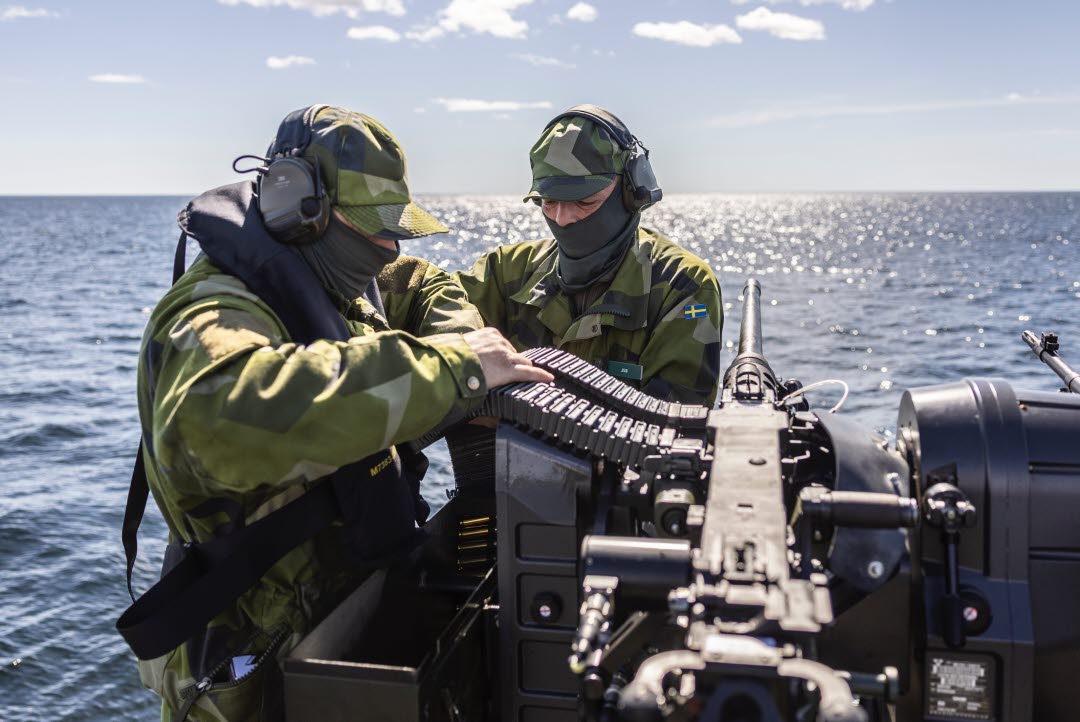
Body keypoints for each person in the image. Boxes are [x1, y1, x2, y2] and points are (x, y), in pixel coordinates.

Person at [121, 105, 552, 721]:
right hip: (257, 665)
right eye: (374, 227)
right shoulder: (213, 308)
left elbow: (426, 282)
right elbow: (224, 418)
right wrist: (453, 368)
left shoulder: (335, 270)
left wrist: (468, 343)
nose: (389, 246)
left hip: (347, 625)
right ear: (302, 209)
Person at [454, 105, 722, 406]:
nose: (563, 218)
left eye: (584, 201)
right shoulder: (505, 270)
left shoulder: (681, 286)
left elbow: (673, 424)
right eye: (548, 201)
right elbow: (433, 309)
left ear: (632, 192)